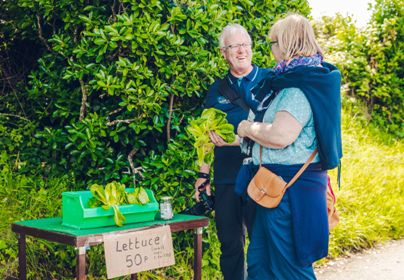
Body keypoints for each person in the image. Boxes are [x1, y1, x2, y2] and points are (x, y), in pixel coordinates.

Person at [236, 14, 342, 279]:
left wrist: (246, 128)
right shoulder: (303, 79)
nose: (270, 49)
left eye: (272, 42)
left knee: (290, 266)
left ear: (286, 43)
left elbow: (280, 135)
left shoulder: (298, 87)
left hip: (287, 191)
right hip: (275, 187)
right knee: (261, 261)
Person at [195, 24, 270, 280]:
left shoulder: (270, 81)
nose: (241, 51)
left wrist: (237, 140)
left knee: (261, 245)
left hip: (263, 176)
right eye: (234, 46)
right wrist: (202, 175)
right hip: (227, 177)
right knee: (230, 246)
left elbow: (277, 132)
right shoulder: (216, 90)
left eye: (245, 44)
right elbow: (204, 135)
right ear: (223, 52)